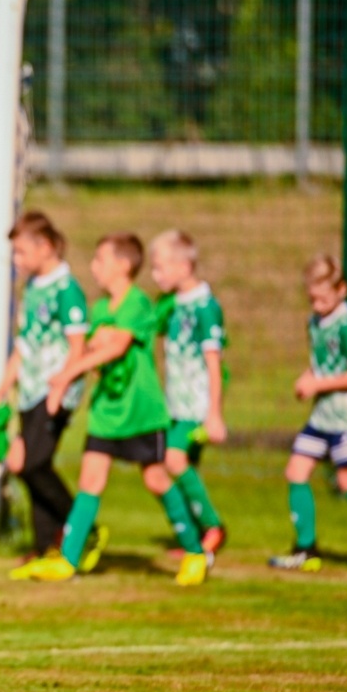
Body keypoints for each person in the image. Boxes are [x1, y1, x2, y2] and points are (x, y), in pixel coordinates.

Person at [11, 233, 208, 586]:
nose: (94, 267)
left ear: (123, 265)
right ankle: (68, 561)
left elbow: (116, 347)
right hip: (106, 411)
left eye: (101, 260)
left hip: (141, 413)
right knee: (90, 481)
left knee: (156, 479)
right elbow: (95, 350)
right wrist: (87, 355)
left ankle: (195, 553)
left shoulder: (138, 304)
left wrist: (68, 373)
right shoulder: (100, 309)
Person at [267, 255, 347, 573]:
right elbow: (321, 362)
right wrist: (307, 377)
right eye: (312, 298)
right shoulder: (314, 322)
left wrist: (318, 383)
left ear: (342, 290)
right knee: (296, 471)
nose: (317, 304)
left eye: (323, 297)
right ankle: (306, 549)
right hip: (322, 416)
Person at [0, 211, 91, 562]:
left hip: (54, 392)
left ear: (45, 247)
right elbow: (26, 343)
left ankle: (81, 526)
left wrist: (60, 391)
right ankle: (45, 544)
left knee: (33, 464)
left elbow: (78, 346)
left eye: (21, 252)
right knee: (28, 465)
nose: (17, 260)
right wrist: (4, 385)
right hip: (31, 390)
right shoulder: (33, 288)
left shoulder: (67, 289)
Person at [148, 229, 228, 557]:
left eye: (160, 267)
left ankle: (213, 527)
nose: (155, 275)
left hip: (196, 405)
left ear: (183, 267)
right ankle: (193, 537)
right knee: (171, 467)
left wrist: (214, 412)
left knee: (172, 459)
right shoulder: (170, 305)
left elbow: (213, 363)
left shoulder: (206, 307)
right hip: (174, 404)